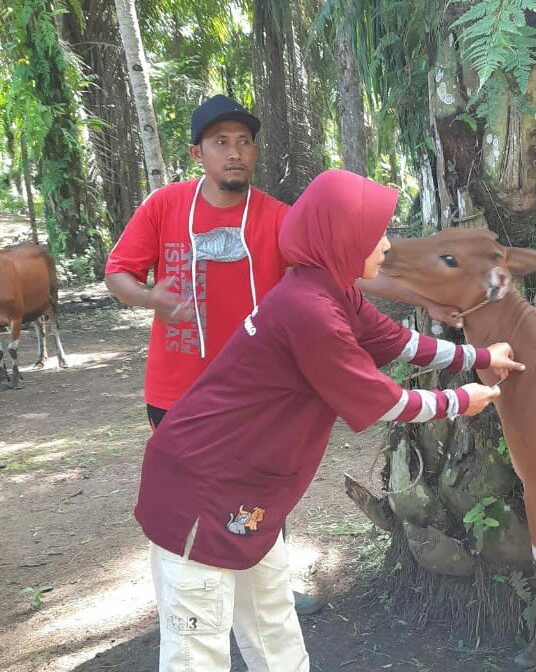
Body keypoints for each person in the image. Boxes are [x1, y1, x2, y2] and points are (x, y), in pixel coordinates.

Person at [135, 169, 524, 672]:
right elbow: (379, 398)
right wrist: (465, 397)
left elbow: (395, 342)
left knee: (266, 593)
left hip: (247, 494)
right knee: (197, 643)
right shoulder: (309, 310)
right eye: (375, 236)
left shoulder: (328, 289)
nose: (385, 248)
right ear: (340, 238)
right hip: (201, 493)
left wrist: (474, 355)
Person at [104, 95, 461, 610]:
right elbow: (119, 272)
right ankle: (198, 603)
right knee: (194, 492)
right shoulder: (164, 206)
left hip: (255, 395)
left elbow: (354, 267)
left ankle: (270, 592)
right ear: (196, 153)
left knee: (261, 484)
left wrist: (428, 300)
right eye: (220, 143)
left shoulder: (279, 218)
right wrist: (150, 298)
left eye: (244, 142)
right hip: (177, 387)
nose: (234, 153)